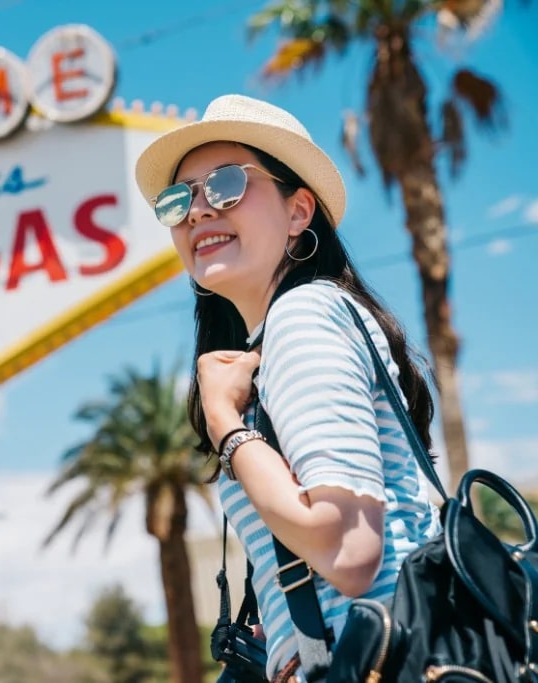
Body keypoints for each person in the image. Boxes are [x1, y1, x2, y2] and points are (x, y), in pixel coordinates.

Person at [133, 94, 442, 682]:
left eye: (226, 184)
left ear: (299, 211)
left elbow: (347, 552)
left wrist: (225, 423)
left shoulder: (304, 315)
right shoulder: (279, 340)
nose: (198, 211)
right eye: (180, 199)